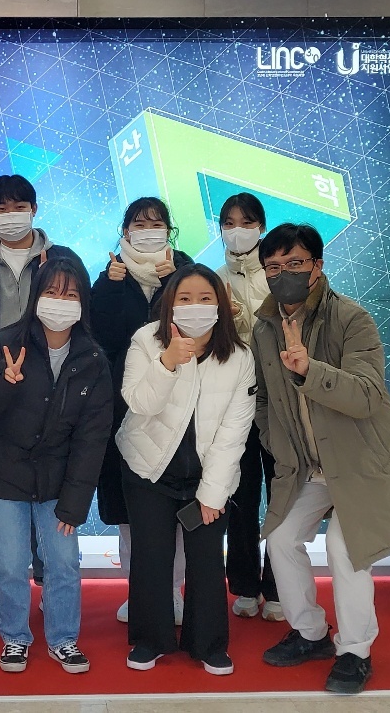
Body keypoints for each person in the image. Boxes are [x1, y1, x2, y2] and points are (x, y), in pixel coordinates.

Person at [253, 223, 390, 695]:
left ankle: (355, 651)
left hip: (360, 465)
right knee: (280, 538)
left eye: (295, 263)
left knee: (346, 548)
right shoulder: (264, 328)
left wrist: (310, 368)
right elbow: (264, 399)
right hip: (308, 467)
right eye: (273, 267)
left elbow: (366, 395)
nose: (283, 274)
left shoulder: (352, 319)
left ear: (318, 266)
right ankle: (309, 633)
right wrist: (277, 443)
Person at [0, 257, 113, 674]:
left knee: (63, 563)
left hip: (58, 480)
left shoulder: (93, 359)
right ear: (36, 296)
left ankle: (63, 638)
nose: (60, 301)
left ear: (84, 302)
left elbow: (93, 438)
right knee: (9, 564)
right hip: (2, 474)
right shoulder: (5, 342)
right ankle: (14, 637)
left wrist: (75, 503)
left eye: (71, 294)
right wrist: (2, 382)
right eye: (52, 292)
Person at [0, 173, 84, 625]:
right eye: (0, 209)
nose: (10, 216)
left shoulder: (61, 258)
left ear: (34, 209)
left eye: (18, 206)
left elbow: (82, 316)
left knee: (48, 488)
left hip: (52, 389)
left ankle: (47, 585)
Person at [115, 264, 253, 675]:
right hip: (148, 469)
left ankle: (208, 644)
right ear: (169, 304)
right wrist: (167, 363)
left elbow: (234, 432)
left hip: (208, 476)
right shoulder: (146, 340)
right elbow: (139, 403)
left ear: (220, 305)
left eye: (205, 298)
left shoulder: (239, 357)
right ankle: (150, 639)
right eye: (185, 299)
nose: (195, 306)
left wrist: (213, 493)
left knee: (207, 560)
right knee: (151, 557)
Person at [88, 196, 195, 624]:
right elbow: (102, 337)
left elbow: (197, 328)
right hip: (125, 404)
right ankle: (139, 592)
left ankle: (173, 591)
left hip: (179, 402)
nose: (148, 230)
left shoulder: (186, 270)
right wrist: (109, 288)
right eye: (139, 223)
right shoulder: (111, 274)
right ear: (125, 231)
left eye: (156, 223)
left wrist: (174, 283)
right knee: (129, 508)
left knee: (177, 506)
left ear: (169, 229)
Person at [215, 193, 283, 623]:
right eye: (229, 222)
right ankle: (243, 585)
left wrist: (249, 317)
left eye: (247, 222)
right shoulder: (214, 278)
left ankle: (278, 587)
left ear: (261, 226)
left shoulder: (278, 274)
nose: (238, 231)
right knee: (239, 496)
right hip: (235, 403)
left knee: (282, 495)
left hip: (278, 403)